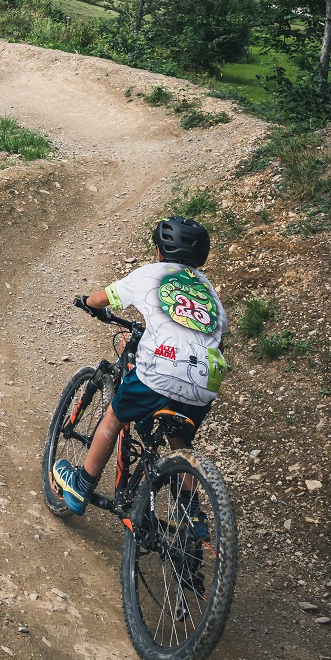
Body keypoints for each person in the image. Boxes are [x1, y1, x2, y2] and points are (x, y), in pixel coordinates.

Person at [53, 217, 227, 517]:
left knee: (115, 416)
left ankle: (81, 486)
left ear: (159, 251)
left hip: (162, 367)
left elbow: (101, 298)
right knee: (179, 438)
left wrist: (88, 303)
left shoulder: (150, 273)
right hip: (207, 378)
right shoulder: (209, 291)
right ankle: (191, 516)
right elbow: (218, 339)